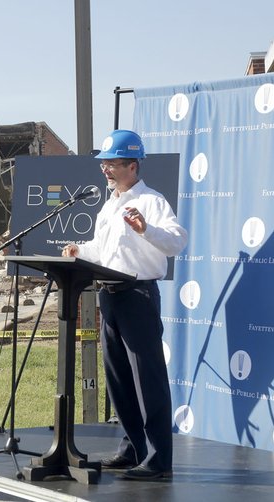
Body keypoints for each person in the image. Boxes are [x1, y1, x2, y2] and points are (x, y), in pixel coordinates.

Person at [62, 129, 187, 480]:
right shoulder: (108, 205)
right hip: (109, 296)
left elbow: (177, 242)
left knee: (148, 381)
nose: (105, 169)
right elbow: (104, 253)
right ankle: (132, 448)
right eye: (103, 163)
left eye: (113, 163)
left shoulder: (152, 202)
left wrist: (147, 230)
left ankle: (160, 459)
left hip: (138, 296)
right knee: (119, 381)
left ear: (133, 165)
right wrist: (79, 251)